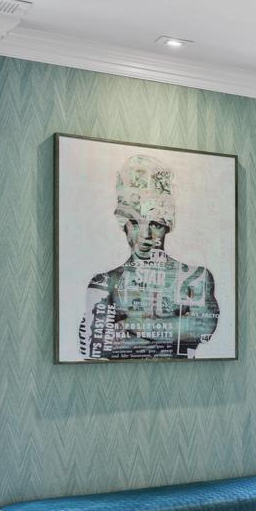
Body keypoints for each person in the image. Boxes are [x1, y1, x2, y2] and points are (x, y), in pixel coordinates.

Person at [77, 153, 221, 359]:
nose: (145, 235)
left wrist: (130, 325)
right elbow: (98, 347)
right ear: (124, 225)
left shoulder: (194, 277)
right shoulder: (106, 282)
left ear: (167, 226)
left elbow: (202, 328)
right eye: (135, 223)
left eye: (155, 224)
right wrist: (174, 330)